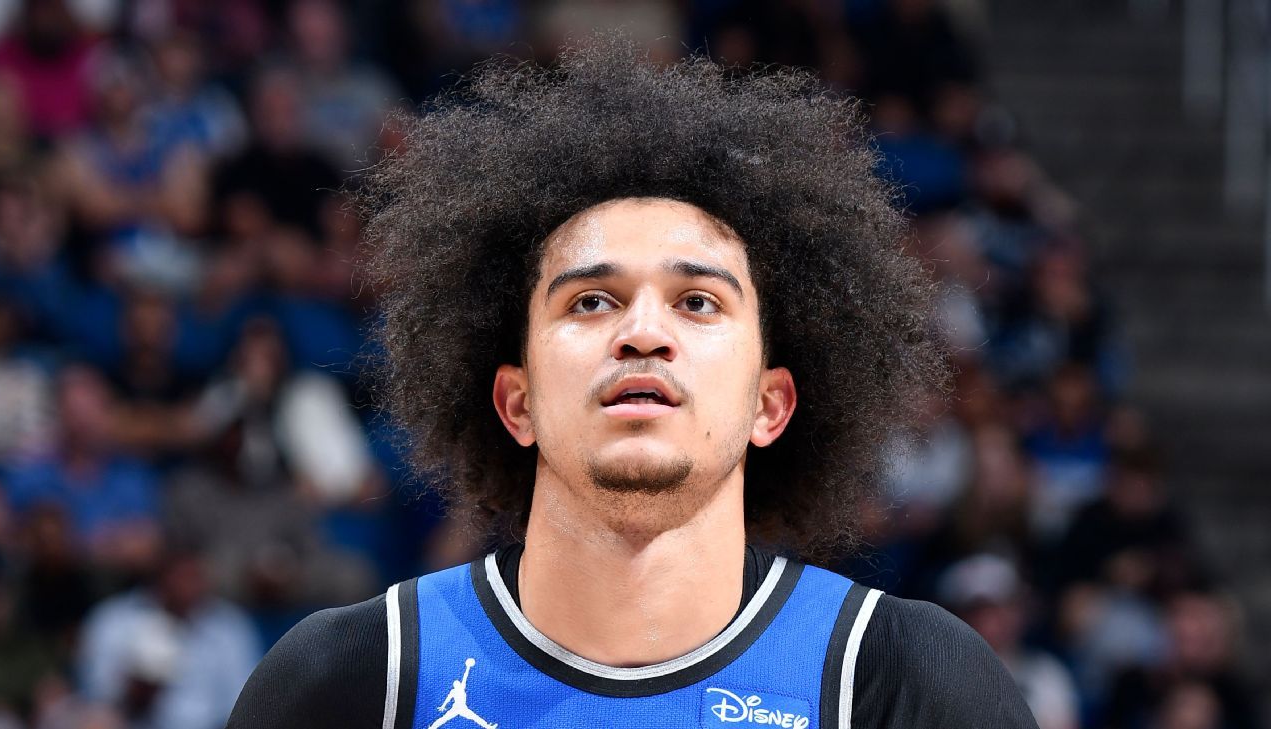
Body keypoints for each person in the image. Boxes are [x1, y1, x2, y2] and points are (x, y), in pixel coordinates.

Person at [227, 38, 1038, 728]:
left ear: (770, 404)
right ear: (516, 402)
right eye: (590, 300)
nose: (643, 332)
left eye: (698, 301)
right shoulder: (356, 679)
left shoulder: (902, 680)